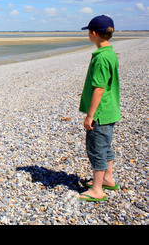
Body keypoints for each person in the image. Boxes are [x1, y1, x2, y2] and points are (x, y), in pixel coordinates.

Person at [76, 15, 121, 202]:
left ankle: (96, 189)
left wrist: (90, 116)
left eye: (88, 31)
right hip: (110, 111)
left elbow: (99, 88)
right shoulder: (110, 53)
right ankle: (108, 179)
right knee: (106, 147)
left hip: (100, 114)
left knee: (96, 149)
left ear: (93, 33)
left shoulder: (101, 58)